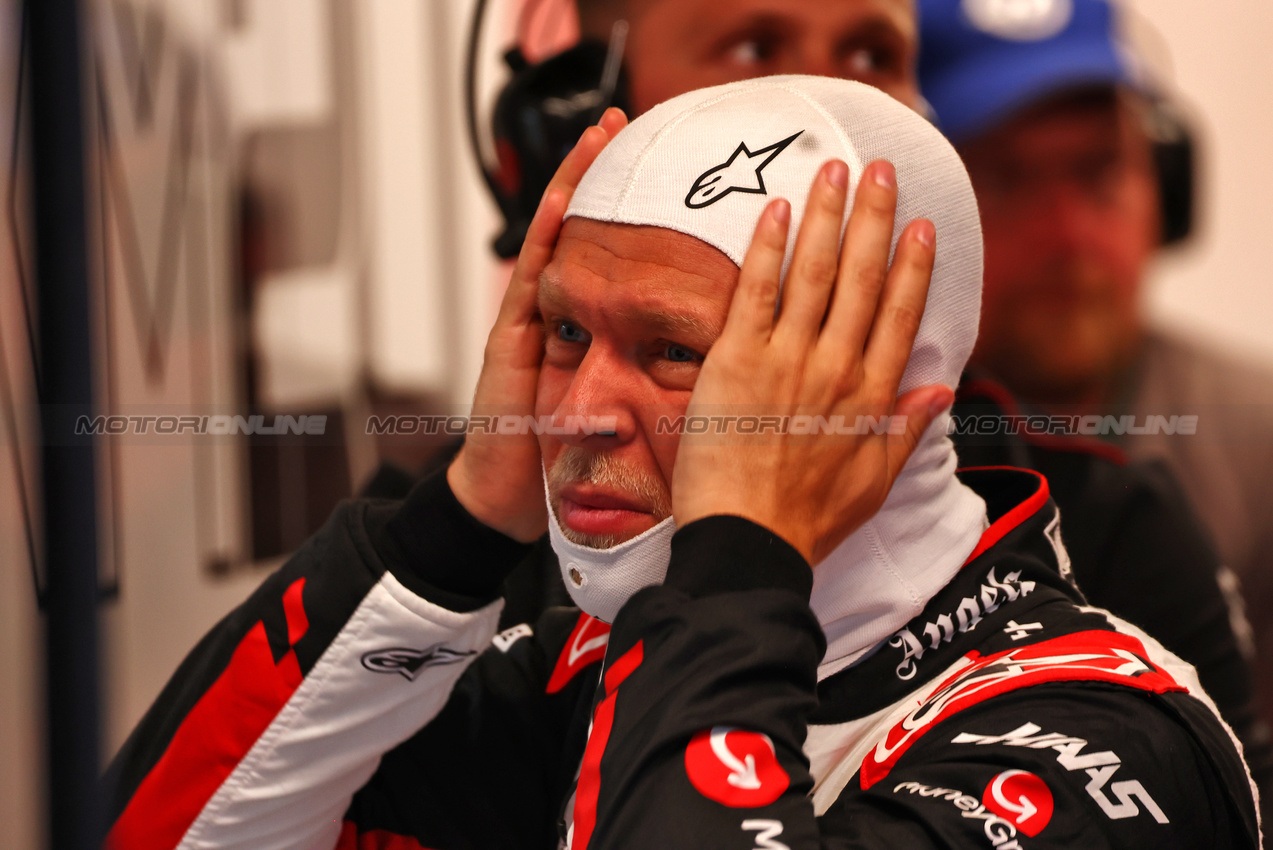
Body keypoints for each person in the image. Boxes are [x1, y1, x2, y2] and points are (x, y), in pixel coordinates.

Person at [106, 76, 1259, 850]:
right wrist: (456, 525)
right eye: (566, 333)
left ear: (882, 395)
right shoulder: (582, 669)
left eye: (671, 351)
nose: (582, 413)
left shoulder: (1107, 748)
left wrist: (737, 567)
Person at [918, 0, 1273, 756]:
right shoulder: (857, 462)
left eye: (1098, 171)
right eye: (1008, 180)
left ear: (1165, 191)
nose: (1068, 235)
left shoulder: (1259, 443)